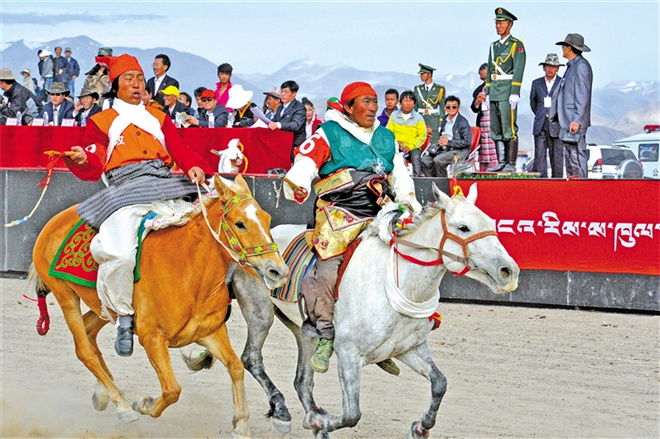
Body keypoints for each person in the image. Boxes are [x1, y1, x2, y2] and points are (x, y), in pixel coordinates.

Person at [64, 53, 212, 357]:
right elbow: (94, 159)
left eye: (140, 79)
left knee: (209, 229)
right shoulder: (101, 121)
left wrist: (194, 165)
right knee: (119, 254)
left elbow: (179, 149)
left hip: (165, 183)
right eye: (129, 78)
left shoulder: (159, 117)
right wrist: (82, 158)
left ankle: (208, 307)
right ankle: (124, 317)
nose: (136, 84)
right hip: (125, 189)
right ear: (115, 85)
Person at [282, 81, 421, 374]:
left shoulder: (386, 137)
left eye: (375, 102)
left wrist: (408, 202)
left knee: (402, 262)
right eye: (365, 102)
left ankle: (382, 339)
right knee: (329, 268)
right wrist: (298, 180)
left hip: (380, 211)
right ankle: (323, 333)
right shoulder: (329, 132)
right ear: (348, 107)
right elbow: (307, 159)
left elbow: (400, 175)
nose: (372, 108)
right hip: (339, 212)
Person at [485, 7, 525, 173]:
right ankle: (501, 161)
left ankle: (511, 163)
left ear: (509, 25)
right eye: (497, 23)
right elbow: (489, 70)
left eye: (501, 23)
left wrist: (515, 91)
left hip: (507, 91)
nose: (498, 26)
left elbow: (518, 68)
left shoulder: (516, 45)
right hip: (494, 90)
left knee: (508, 128)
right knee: (495, 128)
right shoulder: (493, 46)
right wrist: (487, 91)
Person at [551, 33, 593, 178]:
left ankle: (582, 186)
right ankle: (574, 187)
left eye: (564, 46)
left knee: (576, 156)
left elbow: (583, 95)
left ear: (569, 48)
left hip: (574, 121)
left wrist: (577, 119)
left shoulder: (581, 66)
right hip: (567, 120)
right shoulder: (572, 66)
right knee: (570, 157)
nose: (562, 48)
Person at [530, 53, 564, 178]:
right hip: (540, 125)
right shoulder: (536, 83)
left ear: (558, 68)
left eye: (553, 66)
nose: (550, 69)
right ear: (543, 67)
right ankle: (541, 184)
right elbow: (533, 103)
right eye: (548, 66)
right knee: (539, 157)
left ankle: (558, 184)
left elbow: (565, 103)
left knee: (557, 158)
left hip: (557, 125)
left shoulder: (562, 83)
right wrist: (541, 114)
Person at [420, 96, 472, 178]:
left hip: (459, 150)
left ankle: (443, 184)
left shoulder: (463, 122)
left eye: (454, 107)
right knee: (425, 160)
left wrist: (449, 142)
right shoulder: (444, 120)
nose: (451, 109)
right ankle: (433, 180)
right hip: (444, 149)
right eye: (448, 107)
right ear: (445, 108)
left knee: (438, 160)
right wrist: (441, 142)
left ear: (458, 108)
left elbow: (467, 141)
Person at [386, 90, 426, 176]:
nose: (408, 104)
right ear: (400, 102)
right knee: (387, 156)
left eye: (410, 101)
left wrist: (410, 146)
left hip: (413, 147)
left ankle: (417, 180)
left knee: (416, 158)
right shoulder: (394, 115)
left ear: (414, 104)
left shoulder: (419, 118)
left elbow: (422, 136)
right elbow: (388, 132)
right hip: (396, 146)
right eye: (405, 101)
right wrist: (396, 142)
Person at [269, 80, 306, 161]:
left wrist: (279, 124)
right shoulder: (280, 107)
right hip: (281, 145)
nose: (282, 94)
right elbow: (274, 121)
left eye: (286, 92)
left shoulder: (299, 107)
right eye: (282, 91)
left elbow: (296, 125)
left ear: (294, 93)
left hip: (294, 146)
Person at [470, 63, 497, 172]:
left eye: (486, 77)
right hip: (483, 124)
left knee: (495, 152)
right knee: (484, 154)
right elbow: (474, 108)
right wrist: (478, 102)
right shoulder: (479, 90)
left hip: (495, 123)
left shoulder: (499, 88)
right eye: (482, 78)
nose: (484, 80)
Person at [413, 63, 446, 145]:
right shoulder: (418, 89)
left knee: (433, 144)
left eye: (423, 74)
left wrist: (440, 124)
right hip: (421, 118)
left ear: (429, 74)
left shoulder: (439, 89)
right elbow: (415, 107)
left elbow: (442, 108)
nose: (421, 76)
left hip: (433, 120)